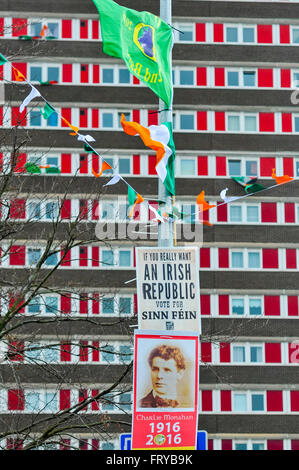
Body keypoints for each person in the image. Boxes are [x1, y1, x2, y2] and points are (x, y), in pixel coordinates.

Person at [139, 344, 186, 408]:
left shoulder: (187, 406)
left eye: (167, 370)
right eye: (155, 369)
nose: (159, 376)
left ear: (180, 374)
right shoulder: (139, 405)